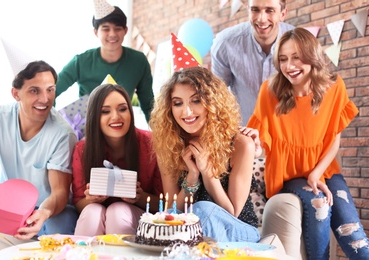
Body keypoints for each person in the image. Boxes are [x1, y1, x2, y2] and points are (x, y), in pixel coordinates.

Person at [247, 27, 369, 259]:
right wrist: (254, 143)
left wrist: (316, 175)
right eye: (283, 59)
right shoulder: (269, 91)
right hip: (289, 176)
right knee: (319, 205)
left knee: (358, 242)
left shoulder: (334, 88)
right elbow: (263, 144)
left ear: (312, 56)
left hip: (325, 172)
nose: (289, 66)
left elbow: (334, 141)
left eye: (296, 57)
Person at [149, 66, 262, 243]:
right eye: (178, 103)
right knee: (193, 215)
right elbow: (172, 212)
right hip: (191, 232)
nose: (186, 112)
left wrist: (207, 171)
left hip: (240, 230)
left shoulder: (241, 144)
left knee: (202, 210)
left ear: (212, 103)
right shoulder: (168, 145)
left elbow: (233, 212)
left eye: (195, 101)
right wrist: (192, 178)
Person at [0, 60, 78, 252]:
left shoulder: (62, 134)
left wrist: (43, 212)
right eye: (35, 91)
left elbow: (59, 193)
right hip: (12, 210)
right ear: (16, 94)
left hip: (52, 215)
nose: (45, 99)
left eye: (50, 90)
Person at [72, 84, 163, 236]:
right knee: (92, 211)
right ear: (95, 116)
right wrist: (92, 199)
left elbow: (163, 204)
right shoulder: (82, 149)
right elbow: (78, 203)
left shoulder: (151, 144)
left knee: (118, 211)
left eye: (122, 109)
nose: (115, 117)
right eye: (105, 111)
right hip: (95, 213)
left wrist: (139, 197)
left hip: (140, 217)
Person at [55, 1, 154, 122]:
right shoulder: (81, 62)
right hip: (88, 127)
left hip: (119, 124)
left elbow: (148, 105)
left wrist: (160, 136)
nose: (112, 34)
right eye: (106, 29)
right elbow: (51, 91)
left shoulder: (139, 61)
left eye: (118, 28)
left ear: (125, 31)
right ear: (96, 32)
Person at [211, 0, 294, 125]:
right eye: (255, 10)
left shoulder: (299, 43)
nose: (261, 19)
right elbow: (216, 95)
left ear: (283, 14)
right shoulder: (225, 43)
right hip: (245, 133)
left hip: (288, 132)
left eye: (269, 10)